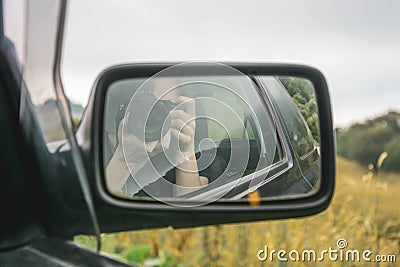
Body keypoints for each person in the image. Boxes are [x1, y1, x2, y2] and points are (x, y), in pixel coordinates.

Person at [105, 77, 211, 198]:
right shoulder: (97, 148)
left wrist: (185, 152)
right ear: (123, 109)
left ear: (179, 112)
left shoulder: (175, 156)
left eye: (163, 107)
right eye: (143, 106)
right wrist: (123, 160)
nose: (152, 117)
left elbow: (193, 210)